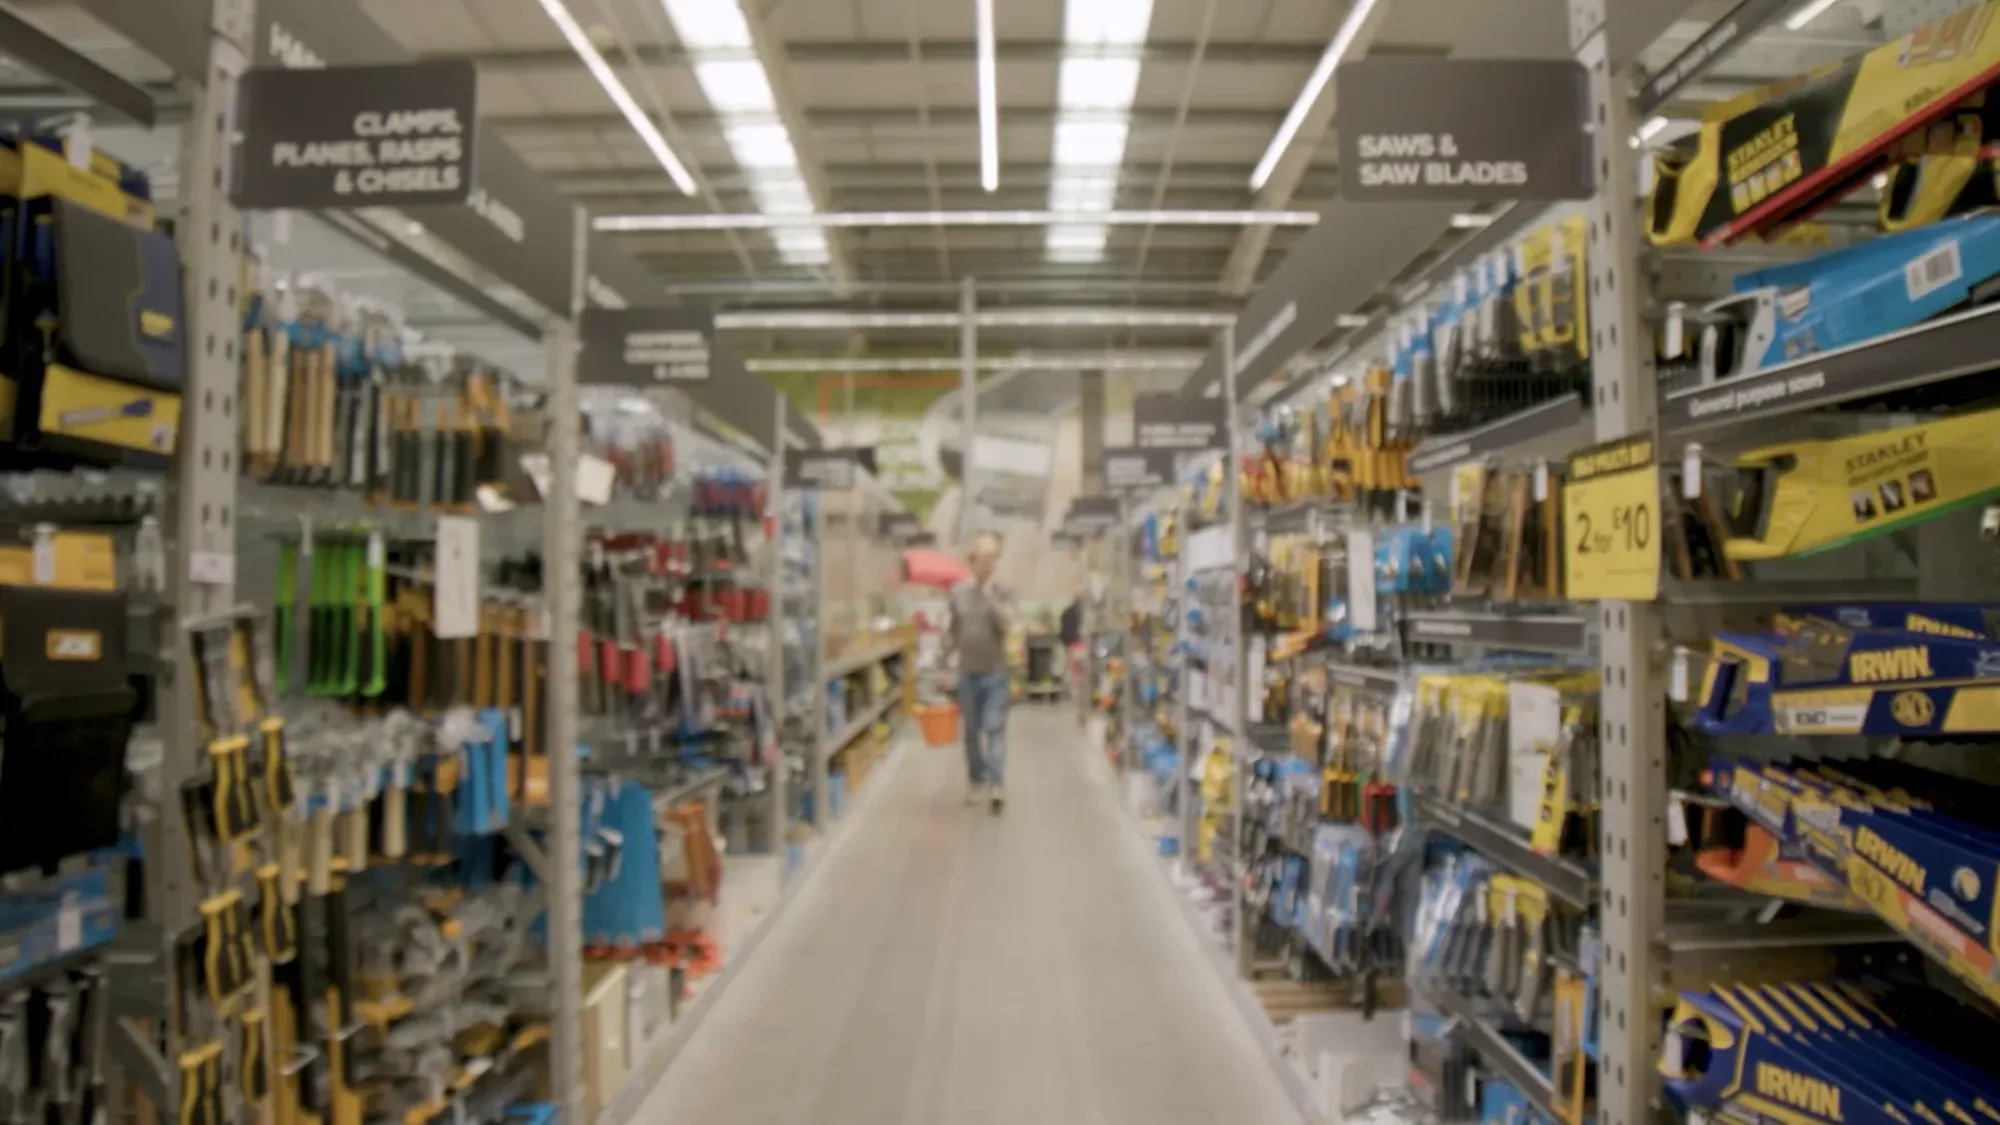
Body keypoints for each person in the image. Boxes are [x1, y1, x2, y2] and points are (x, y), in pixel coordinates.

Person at [945, 530, 1011, 813]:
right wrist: (942, 661)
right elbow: (953, 632)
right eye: (982, 558)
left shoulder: (1002, 591)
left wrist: (989, 597)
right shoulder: (957, 593)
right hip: (967, 674)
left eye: (992, 558)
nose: (988, 563)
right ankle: (976, 780)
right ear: (971, 561)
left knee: (994, 728)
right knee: (972, 732)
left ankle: (996, 783)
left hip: (995, 674)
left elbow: (1007, 626)